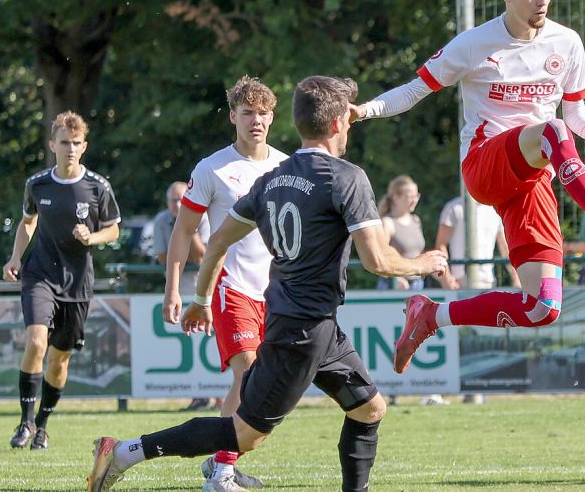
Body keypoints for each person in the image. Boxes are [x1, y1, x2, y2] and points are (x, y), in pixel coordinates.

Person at [86, 75, 448, 492]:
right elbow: (378, 261)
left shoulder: (272, 178)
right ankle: (124, 452)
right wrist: (423, 262)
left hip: (317, 327)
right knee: (243, 435)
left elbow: (217, 241)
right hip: (300, 332)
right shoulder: (345, 177)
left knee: (369, 409)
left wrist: (200, 297)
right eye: (348, 119)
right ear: (337, 124)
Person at [352, 0, 585, 374]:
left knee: (542, 307)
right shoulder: (475, 43)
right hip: (485, 163)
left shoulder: (566, 42)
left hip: (532, 178)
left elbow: (575, 113)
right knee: (552, 131)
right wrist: (364, 110)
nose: (541, 1)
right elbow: (414, 90)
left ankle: (431, 315)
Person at [159, 75, 287, 490]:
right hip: (231, 287)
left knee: (267, 388)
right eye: (247, 113)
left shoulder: (287, 166)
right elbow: (183, 231)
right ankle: (223, 472)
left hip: (278, 291)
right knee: (246, 372)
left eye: (263, 113)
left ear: (273, 117)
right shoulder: (212, 168)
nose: (256, 120)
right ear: (232, 116)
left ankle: (221, 457)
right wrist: (173, 289)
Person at [2, 111, 121, 451]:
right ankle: (25, 422)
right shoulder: (37, 184)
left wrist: (92, 237)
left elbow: (113, 229)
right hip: (40, 274)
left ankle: (42, 425)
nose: (70, 148)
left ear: (84, 146)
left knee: (59, 360)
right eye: (64, 142)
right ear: (52, 144)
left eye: (76, 143)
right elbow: (28, 222)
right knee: (36, 342)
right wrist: (15, 257)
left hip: (77, 283)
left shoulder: (98, 186)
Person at [152, 181, 216, 412]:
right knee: (190, 343)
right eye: (173, 201)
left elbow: (201, 257)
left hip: (204, 289)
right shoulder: (161, 221)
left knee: (212, 342)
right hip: (179, 289)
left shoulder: (203, 218)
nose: (178, 205)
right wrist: (182, 237)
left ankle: (220, 395)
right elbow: (162, 257)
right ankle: (198, 396)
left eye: (182, 200)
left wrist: (189, 229)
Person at [434, 195, 520, 289]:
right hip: (460, 281)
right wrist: (447, 279)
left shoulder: (495, 210)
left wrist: (516, 277)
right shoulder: (454, 208)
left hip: (488, 281)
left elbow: (504, 247)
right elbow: (441, 245)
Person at [376, 175, 426, 290]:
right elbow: (379, 257)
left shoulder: (416, 220)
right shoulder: (387, 223)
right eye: (410, 197)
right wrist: (395, 278)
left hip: (418, 285)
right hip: (393, 288)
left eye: (416, 196)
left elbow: (419, 253)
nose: (414, 200)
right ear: (396, 197)